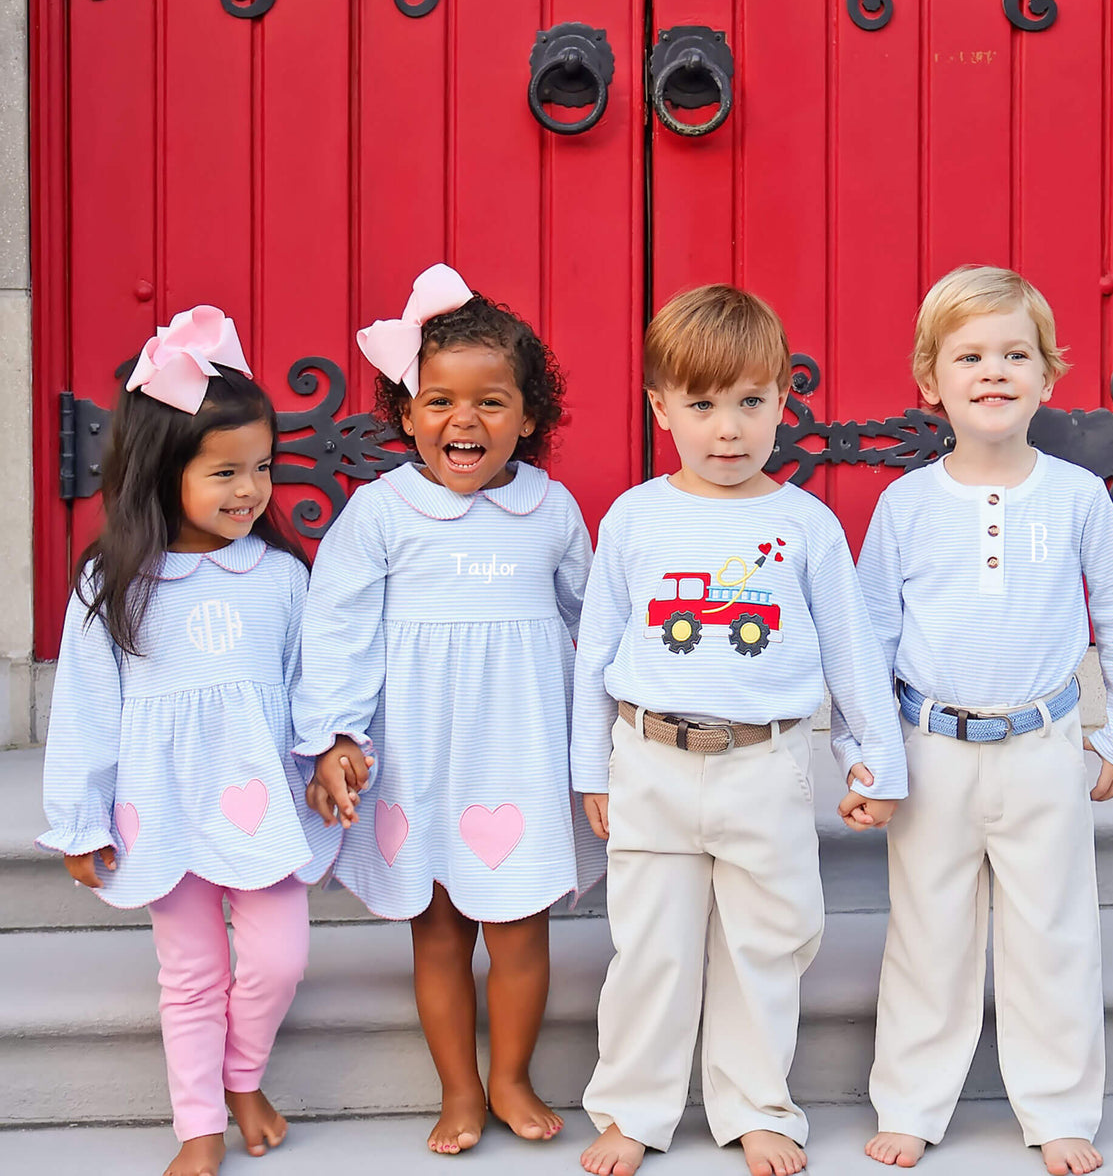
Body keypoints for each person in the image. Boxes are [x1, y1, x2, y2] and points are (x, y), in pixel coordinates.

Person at [572, 285, 907, 1176]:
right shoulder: (637, 517)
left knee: (767, 942)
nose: (729, 429)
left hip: (767, 766)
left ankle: (757, 1106)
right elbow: (596, 651)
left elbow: (851, 652)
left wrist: (874, 759)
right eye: (703, 405)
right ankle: (635, 1110)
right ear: (661, 408)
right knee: (650, 950)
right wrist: (590, 769)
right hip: (652, 760)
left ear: (783, 403)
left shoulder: (805, 525)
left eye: (751, 404)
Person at [839, 266, 1113, 1175]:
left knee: (1052, 934)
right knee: (928, 933)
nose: (994, 371)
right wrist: (868, 754)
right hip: (932, 749)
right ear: (930, 382)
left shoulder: (1076, 496)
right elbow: (869, 640)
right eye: (969, 355)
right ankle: (912, 1101)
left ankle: (1057, 1107)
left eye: (1016, 354)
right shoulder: (905, 506)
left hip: (1043, 747)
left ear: (1049, 377)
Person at [293, 263, 604, 1155]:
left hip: (521, 749)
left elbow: (597, 624)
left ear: (530, 417)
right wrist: (336, 737)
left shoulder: (551, 511)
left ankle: (510, 1075)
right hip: (420, 752)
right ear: (405, 413)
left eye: (491, 403)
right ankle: (459, 1089)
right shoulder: (381, 513)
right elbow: (338, 629)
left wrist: (616, 726)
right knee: (438, 931)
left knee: (518, 929)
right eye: (438, 402)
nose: (463, 422)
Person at [37, 305, 337, 1176]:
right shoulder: (117, 581)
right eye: (224, 472)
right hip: (163, 808)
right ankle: (199, 1124)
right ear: (162, 472)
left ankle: (243, 1075)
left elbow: (310, 687)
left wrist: (326, 756)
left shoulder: (282, 577)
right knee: (193, 975)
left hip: (258, 801)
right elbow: (89, 710)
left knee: (278, 961)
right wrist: (79, 817)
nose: (250, 489)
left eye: (263, 468)